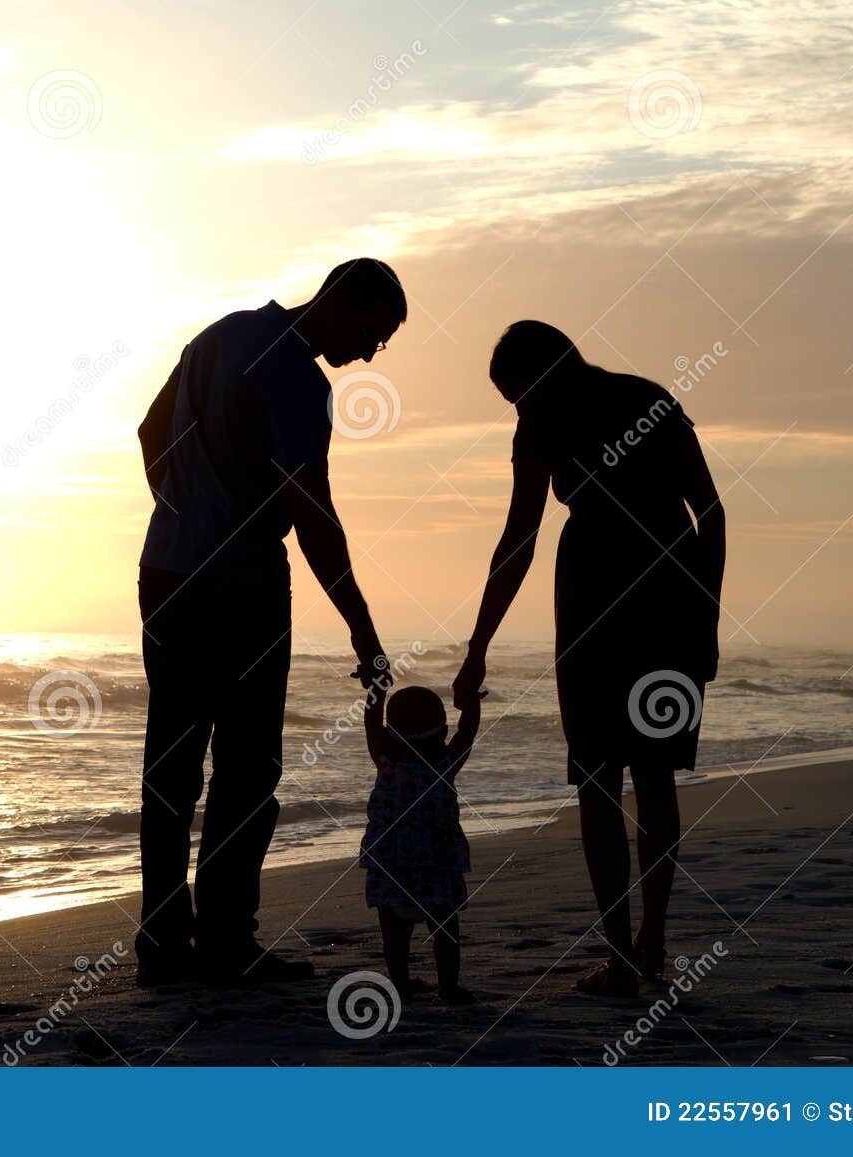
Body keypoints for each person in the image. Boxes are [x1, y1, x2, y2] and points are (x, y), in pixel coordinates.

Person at [134, 258, 407, 987]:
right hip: (242, 584)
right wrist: (363, 630)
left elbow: (148, 431)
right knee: (248, 769)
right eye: (374, 332)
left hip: (165, 572)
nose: (372, 352)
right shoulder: (298, 378)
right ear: (345, 300)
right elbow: (313, 515)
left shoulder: (218, 336)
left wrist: (185, 508)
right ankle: (224, 940)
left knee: (171, 766)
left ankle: (162, 945)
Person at [452, 320, 725, 997]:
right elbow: (711, 513)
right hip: (671, 591)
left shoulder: (543, 420)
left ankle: (624, 958)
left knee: (598, 779)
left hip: (594, 596)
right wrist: (707, 617)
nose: (517, 411)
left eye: (515, 396)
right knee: (655, 775)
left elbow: (519, 539)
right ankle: (650, 943)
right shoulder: (652, 398)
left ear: (538, 377)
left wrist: (479, 646)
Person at [359, 680, 481, 1003]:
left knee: (394, 933)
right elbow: (467, 734)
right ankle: (448, 987)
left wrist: (377, 689)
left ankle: (399, 985)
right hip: (437, 863)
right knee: (445, 928)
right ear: (441, 733)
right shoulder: (444, 766)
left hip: (390, 864)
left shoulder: (385, 762)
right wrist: (470, 701)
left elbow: (371, 722)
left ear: (391, 733)